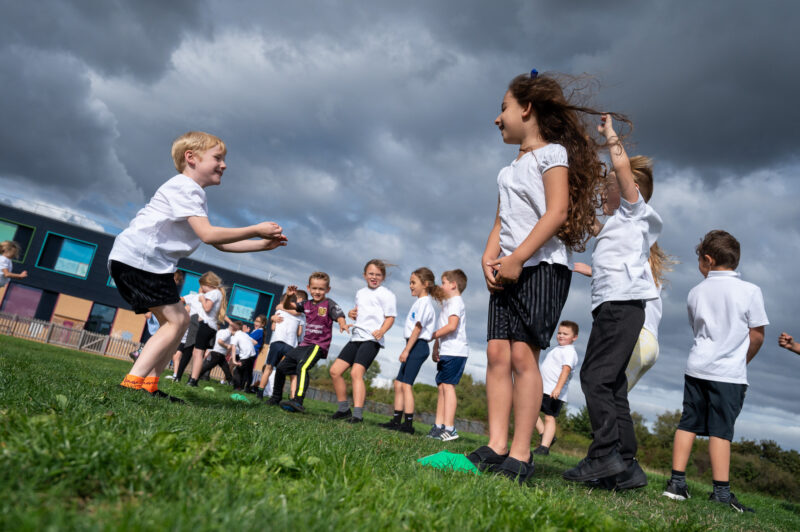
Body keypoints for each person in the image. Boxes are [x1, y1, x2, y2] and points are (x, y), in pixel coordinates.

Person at [467, 70, 606, 484]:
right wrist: (489, 257)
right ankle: (494, 445)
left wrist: (519, 258)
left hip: (542, 268)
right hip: (507, 269)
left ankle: (522, 453)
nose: (497, 118)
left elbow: (556, 213)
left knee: (524, 357)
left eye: (503, 108)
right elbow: (500, 221)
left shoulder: (553, 155)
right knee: (497, 355)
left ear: (526, 108)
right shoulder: (507, 170)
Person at [110, 130, 286, 400]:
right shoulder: (185, 187)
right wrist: (255, 228)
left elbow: (220, 244)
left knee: (178, 322)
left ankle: (149, 385)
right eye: (218, 158)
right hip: (141, 260)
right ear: (191, 158)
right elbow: (209, 234)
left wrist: (263, 244)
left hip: (143, 262)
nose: (224, 165)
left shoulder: (192, 193)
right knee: (177, 321)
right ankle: (134, 382)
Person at [562, 115, 661, 489]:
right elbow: (593, 227)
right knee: (614, 384)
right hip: (615, 309)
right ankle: (628, 465)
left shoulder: (636, 214)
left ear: (630, 187)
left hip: (622, 308)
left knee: (594, 377)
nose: (604, 193)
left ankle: (604, 454)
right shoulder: (616, 226)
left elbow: (621, 166)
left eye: (609, 187)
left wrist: (610, 136)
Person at [663, 230, 767, 513]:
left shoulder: (696, 291)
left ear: (707, 260)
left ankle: (676, 484)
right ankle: (721, 493)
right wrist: (741, 359)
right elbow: (757, 335)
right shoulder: (751, 291)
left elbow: (697, 328)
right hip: (729, 374)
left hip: (697, 366)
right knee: (721, 431)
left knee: (688, 423)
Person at [573, 156, 675, 391]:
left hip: (637, 335)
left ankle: (603, 430)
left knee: (602, 390)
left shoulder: (634, 224)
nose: (602, 194)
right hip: (649, 341)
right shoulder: (636, 240)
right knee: (614, 395)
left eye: (607, 188)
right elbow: (602, 233)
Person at [330, 259, 397, 423]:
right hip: (356, 337)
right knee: (335, 371)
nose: (374, 277)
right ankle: (344, 409)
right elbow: (360, 312)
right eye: (371, 274)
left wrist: (382, 331)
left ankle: (358, 415)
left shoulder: (387, 294)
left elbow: (390, 317)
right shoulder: (360, 292)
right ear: (364, 275)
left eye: (378, 275)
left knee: (356, 373)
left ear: (383, 277)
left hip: (371, 340)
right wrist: (352, 313)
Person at [273, 273, 348, 413]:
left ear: (328, 289)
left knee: (302, 367)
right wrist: (289, 295)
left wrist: (343, 324)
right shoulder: (306, 304)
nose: (317, 292)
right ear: (308, 288)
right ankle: (275, 398)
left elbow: (340, 315)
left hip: (318, 345)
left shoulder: (329, 304)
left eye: (321, 289)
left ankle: (298, 401)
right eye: (314, 288)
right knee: (282, 367)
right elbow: (288, 305)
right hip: (304, 344)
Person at [380, 267, 441, 434]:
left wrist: (406, 350)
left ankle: (408, 425)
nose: (410, 286)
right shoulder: (418, 302)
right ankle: (395, 420)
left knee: (406, 385)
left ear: (426, 284)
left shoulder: (425, 303)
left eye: (413, 283)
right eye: (410, 282)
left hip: (417, 346)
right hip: (412, 344)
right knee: (398, 383)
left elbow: (418, 329)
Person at [429, 269, 469, 442]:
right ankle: (439, 427)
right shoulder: (447, 303)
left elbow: (452, 326)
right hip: (446, 350)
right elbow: (443, 327)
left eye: (444, 282)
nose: (441, 285)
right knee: (442, 388)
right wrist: (436, 346)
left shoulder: (456, 302)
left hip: (456, 351)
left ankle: (450, 428)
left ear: (453, 285)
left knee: (448, 387)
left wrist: (432, 335)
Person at [533, 320, 579, 455]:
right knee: (531, 411)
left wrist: (558, 388)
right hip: (543, 388)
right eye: (559, 333)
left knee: (549, 417)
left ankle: (544, 447)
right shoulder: (558, 349)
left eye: (565, 334)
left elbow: (566, 370)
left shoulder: (570, 352)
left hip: (554, 391)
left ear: (574, 337)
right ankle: (545, 435)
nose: (561, 336)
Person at [257, 291, 307, 401]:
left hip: (276, 342)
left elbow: (273, 328)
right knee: (293, 374)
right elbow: (299, 333)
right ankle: (293, 397)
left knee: (268, 368)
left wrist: (274, 319)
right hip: (290, 345)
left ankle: (260, 392)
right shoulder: (302, 315)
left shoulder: (279, 310)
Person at [186, 272, 227, 387]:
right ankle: (193, 378)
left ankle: (193, 379)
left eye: (202, 286)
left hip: (206, 326)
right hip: (209, 326)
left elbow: (207, 308)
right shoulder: (217, 293)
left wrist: (202, 298)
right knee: (197, 352)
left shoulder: (214, 293)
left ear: (207, 283)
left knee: (198, 353)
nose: (201, 289)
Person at [196, 320, 237, 385]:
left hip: (218, 353)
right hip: (218, 353)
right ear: (233, 328)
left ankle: (231, 381)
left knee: (226, 368)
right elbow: (220, 341)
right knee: (208, 366)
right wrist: (227, 346)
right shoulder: (227, 333)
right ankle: (196, 375)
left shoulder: (221, 331)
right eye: (236, 330)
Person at [229, 321, 258, 390]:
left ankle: (237, 388)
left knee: (237, 371)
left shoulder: (236, 335)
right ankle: (246, 388)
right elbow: (255, 342)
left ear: (233, 329)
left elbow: (233, 348)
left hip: (246, 355)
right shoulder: (244, 334)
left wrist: (234, 361)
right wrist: (247, 346)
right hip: (253, 355)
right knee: (247, 372)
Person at [244, 315, 268, 392]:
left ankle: (245, 387)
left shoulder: (259, 331)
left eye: (258, 321)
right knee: (247, 370)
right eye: (255, 321)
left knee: (247, 370)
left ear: (263, 324)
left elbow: (249, 339)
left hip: (251, 354)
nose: (255, 323)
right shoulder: (256, 331)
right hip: (251, 353)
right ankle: (245, 387)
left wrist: (246, 333)